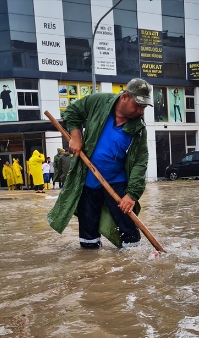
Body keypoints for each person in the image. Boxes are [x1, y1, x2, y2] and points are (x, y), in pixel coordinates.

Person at [47, 78, 151, 249]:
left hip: (117, 180)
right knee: (88, 228)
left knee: (128, 226)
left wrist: (132, 194)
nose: (141, 111)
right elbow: (73, 112)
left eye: (144, 107)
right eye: (138, 105)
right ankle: (91, 264)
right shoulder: (99, 102)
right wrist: (75, 136)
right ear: (125, 97)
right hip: (88, 178)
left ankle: (132, 263)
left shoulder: (139, 128)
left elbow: (141, 160)